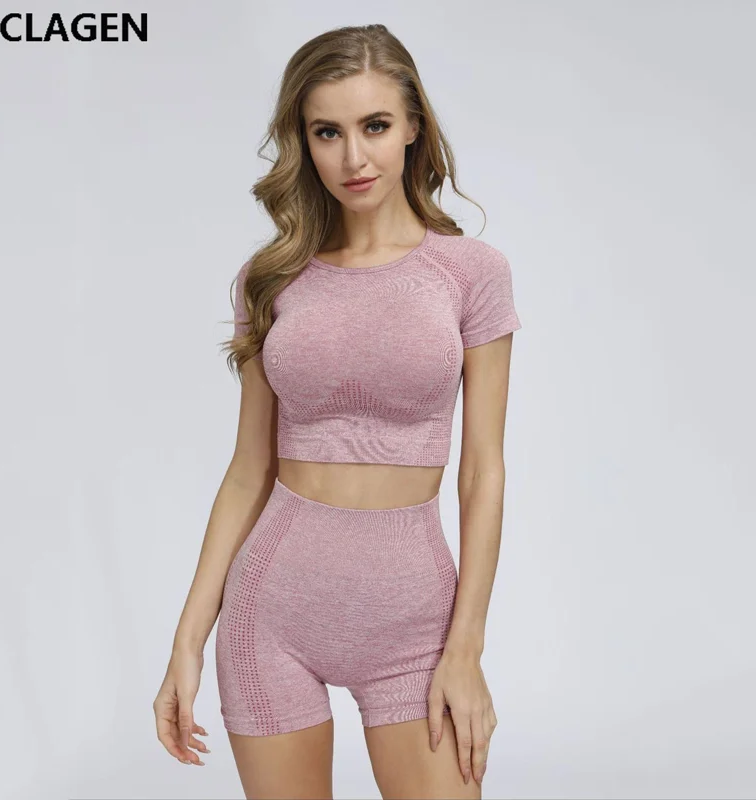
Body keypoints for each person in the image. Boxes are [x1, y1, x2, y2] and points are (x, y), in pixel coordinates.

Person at [153, 23, 521, 800]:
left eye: (375, 126)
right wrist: (187, 641)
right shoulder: (271, 278)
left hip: (416, 623)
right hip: (271, 614)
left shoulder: (471, 273)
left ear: (413, 126)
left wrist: (466, 650)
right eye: (328, 132)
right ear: (304, 141)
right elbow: (248, 470)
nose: (354, 157)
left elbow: (482, 473)